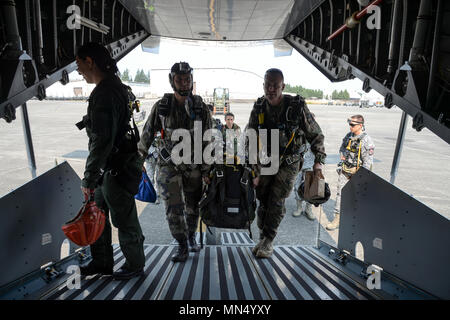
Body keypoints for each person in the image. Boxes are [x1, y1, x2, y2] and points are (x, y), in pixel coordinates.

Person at [75, 42, 145, 280]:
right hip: (111, 168)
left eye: (79, 65)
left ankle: (135, 264)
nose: (79, 71)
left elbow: (102, 140)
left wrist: (89, 177)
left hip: (114, 169)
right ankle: (102, 262)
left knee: (124, 219)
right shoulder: (116, 87)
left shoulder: (105, 93)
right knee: (98, 215)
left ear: (90, 62)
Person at [138, 62, 213, 262]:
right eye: (179, 79)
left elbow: (209, 138)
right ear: (172, 81)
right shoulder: (162, 106)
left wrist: (207, 170)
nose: (184, 83)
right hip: (168, 166)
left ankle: (190, 237)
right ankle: (181, 244)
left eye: (187, 79)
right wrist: (138, 161)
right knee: (173, 208)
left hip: (194, 166)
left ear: (192, 81)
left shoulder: (200, 107)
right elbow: (146, 136)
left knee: (193, 207)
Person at [247, 68, 326, 258]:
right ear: (263, 84)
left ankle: (268, 240)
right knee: (263, 200)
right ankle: (262, 236)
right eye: (268, 84)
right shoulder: (259, 107)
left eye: (275, 85)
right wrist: (253, 169)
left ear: (283, 86)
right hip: (266, 160)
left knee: (276, 200)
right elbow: (250, 136)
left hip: (289, 162)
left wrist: (318, 162)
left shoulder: (296, 106)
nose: (271, 88)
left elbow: (315, 134)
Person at [326, 115, 375, 230]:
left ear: (360, 125)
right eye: (349, 124)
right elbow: (342, 147)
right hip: (345, 171)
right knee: (340, 194)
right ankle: (337, 219)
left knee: (357, 197)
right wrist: (342, 154)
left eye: (352, 125)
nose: (350, 127)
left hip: (358, 174)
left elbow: (368, 163)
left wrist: (362, 178)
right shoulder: (349, 136)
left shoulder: (367, 141)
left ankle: (355, 221)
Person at [292, 141, 315, 220]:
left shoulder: (313, 131)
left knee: (310, 186)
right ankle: (299, 208)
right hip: (297, 163)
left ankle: (308, 209)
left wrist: (319, 162)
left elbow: (319, 146)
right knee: (297, 186)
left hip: (310, 163)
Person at [144, 133, 161, 204]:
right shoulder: (147, 132)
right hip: (149, 158)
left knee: (158, 176)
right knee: (150, 177)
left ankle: (157, 192)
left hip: (158, 157)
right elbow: (143, 144)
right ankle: (152, 195)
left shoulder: (160, 132)